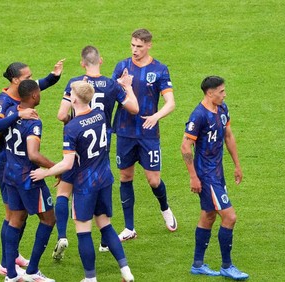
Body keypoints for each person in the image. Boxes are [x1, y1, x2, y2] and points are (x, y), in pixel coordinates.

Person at [31, 81, 135, 282]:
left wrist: (45, 172)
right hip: (104, 177)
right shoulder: (100, 114)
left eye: (70, 93)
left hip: (86, 184)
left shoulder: (72, 127)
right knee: (106, 225)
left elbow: (68, 163)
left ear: (74, 98)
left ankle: (90, 278)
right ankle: (126, 271)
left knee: (83, 231)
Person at [52, 45, 139, 260]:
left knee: (64, 191)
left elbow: (62, 114)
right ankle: (104, 239)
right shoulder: (111, 85)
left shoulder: (75, 84)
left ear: (82, 63)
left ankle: (62, 235)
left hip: (76, 143)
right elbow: (134, 109)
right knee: (100, 189)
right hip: (101, 144)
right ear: (101, 61)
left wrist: (73, 123)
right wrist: (127, 87)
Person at [0, 60, 64, 276]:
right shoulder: (5, 103)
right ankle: (7, 264)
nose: (33, 80)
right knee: (14, 216)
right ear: (15, 81)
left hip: (13, 166)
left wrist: (53, 77)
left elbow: (35, 86)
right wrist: (18, 116)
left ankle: (12, 266)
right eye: (27, 77)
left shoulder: (19, 99)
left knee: (17, 217)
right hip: (15, 165)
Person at [111, 28, 177, 241]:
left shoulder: (159, 69)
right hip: (124, 132)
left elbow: (171, 103)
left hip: (148, 134)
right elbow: (110, 94)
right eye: (132, 45)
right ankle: (129, 227)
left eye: (139, 46)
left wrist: (156, 116)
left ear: (149, 45)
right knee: (125, 176)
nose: (134, 50)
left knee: (153, 180)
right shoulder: (122, 66)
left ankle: (165, 208)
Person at [181, 76, 249, 280]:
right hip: (206, 175)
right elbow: (185, 146)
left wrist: (237, 165)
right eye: (221, 91)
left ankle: (197, 264)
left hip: (218, 173)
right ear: (210, 93)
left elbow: (228, 135)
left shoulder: (222, 109)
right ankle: (227, 266)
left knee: (208, 216)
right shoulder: (198, 116)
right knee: (230, 217)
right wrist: (193, 177)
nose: (224, 94)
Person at [1, 80, 56, 282]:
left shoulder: (11, 112)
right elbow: (33, 155)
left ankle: (12, 275)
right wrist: (55, 167)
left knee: (15, 220)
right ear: (33, 96)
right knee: (49, 219)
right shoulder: (33, 122)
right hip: (29, 179)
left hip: (11, 174)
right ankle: (32, 270)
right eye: (39, 92)